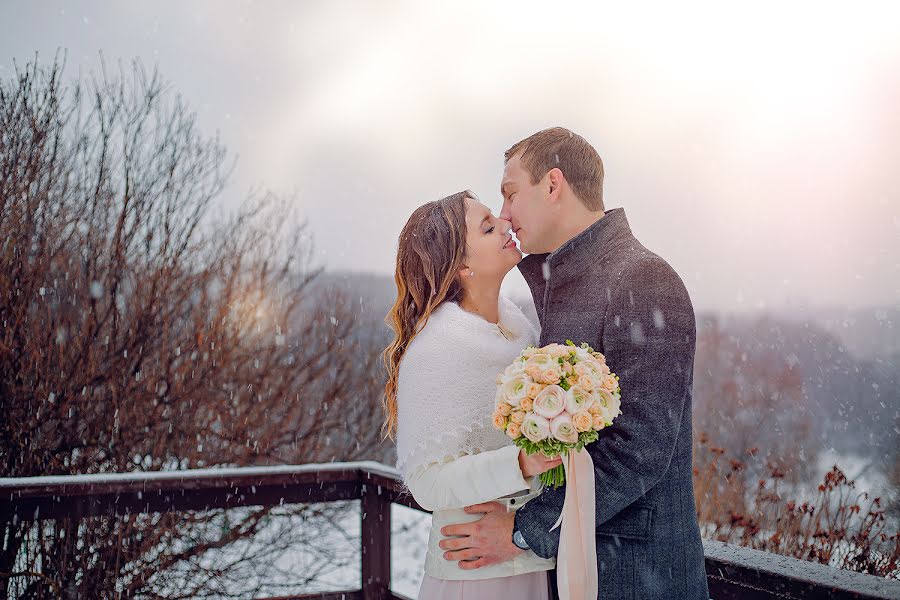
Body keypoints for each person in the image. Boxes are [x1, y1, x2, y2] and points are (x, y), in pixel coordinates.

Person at [435, 128, 710, 600]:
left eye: (510, 193)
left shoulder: (643, 279)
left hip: (636, 576)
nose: (504, 214)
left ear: (553, 184)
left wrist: (523, 528)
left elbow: (638, 450)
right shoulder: (561, 282)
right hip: (574, 571)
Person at [382, 190, 563, 599]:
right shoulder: (437, 350)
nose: (504, 223)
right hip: (474, 573)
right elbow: (427, 483)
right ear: (461, 265)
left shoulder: (521, 333)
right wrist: (518, 462)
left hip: (531, 559)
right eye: (486, 227)